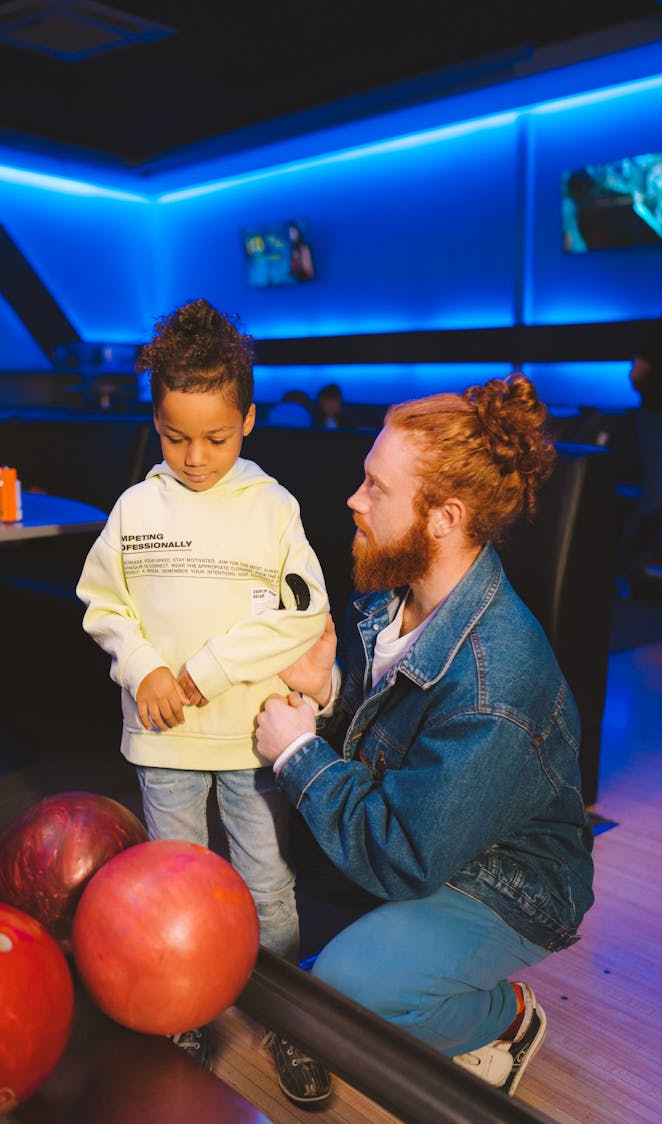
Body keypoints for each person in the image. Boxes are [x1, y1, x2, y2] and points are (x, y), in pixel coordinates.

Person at [255, 374, 595, 1098]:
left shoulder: (497, 682)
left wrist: (296, 749)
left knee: (349, 991)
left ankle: (504, 1019)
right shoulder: (394, 593)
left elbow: (403, 852)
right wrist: (331, 691)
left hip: (509, 877)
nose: (354, 499)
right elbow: (394, 745)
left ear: (444, 517)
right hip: (432, 832)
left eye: (376, 487)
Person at [76, 298, 332, 1105]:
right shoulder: (135, 510)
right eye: (175, 436)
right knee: (174, 886)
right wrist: (144, 666)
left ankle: (290, 1018)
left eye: (216, 438)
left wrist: (207, 671)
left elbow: (304, 613)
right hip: (165, 744)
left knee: (265, 886)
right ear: (154, 420)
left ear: (249, 420)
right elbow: (101, 603)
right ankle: (182, 1009)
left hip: (253, 737)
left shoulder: (273, 508)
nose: (195, 457)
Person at [625, 315, 662, 569]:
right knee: (654, 495)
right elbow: (637, 374)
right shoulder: (656, 331)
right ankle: (623, 568)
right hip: (654, 417)